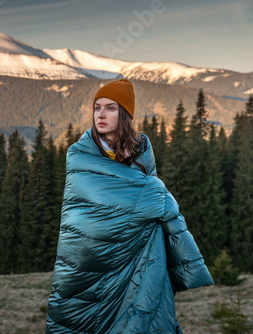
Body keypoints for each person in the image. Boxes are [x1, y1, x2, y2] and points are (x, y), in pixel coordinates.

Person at [45, 79, 213, 334]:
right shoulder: (79, 155)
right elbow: (141, 197)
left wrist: (150, 194)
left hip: (139, 258)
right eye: (97, 107)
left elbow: (149, 201)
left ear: (124, 114)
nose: (100, 114)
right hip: (89, 261)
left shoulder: (142, 150)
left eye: (110, 108)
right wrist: (153, 192)